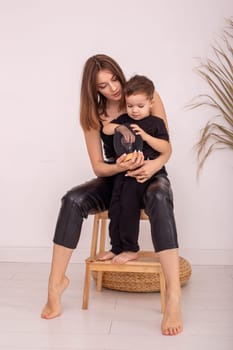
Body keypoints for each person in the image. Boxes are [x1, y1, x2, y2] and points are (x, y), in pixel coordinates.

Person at [41, 54, 183, 336]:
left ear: (120, 73)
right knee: (72, 199)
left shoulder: (145, 95)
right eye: (103, 86)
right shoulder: (94, 114)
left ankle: (174, 298)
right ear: (94, 90)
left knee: (158, 197)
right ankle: (55, 285)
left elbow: (166, 148)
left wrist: (150, 166)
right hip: (116, 178)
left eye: (114, 79)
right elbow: (98, 166)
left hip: (151, 173)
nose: (113, 89)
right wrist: (118, 166)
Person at [99, 74, 171, 264]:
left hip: (142, 174)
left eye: (140, 106)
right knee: (115, 207)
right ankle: (116, 247)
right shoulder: (125, 120)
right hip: (124, 173)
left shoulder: (156, 123)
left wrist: (146, 137)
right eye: (130, 106)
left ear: (150, 101)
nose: (135, 111)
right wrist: (120, 128)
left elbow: (165, 148)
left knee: (128, 206)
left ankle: (130, 248)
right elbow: (105, 129)